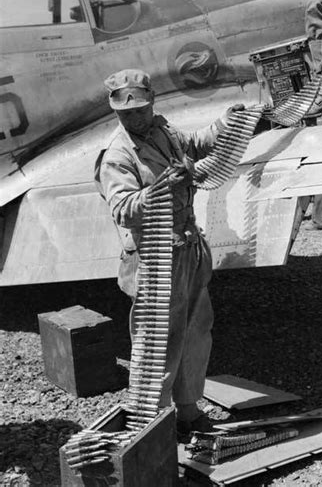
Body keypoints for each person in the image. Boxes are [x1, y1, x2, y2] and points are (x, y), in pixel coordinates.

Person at [96, 68, 243, 437]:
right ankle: (153, 426)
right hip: (155, 256)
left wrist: (225, 123)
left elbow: (194, 143)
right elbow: (123, 209)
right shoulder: (117, 154)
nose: (134, 117)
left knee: (195, 330)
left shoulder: (162, 130)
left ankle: (189, 411)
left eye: (140, 109)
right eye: (126, 113)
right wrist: (161, 189)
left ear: (152, 102)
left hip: (187, 249)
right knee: (157, 342)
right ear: (115, 112)